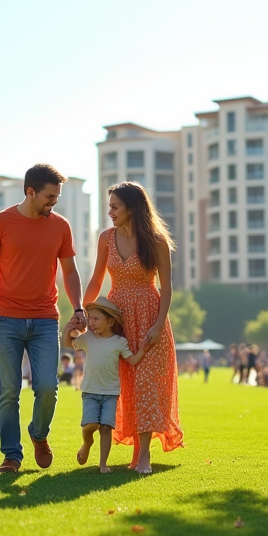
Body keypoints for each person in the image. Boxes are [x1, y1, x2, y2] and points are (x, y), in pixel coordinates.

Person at [0, 164, 84, 474]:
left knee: (48, 387)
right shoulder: (0, 222)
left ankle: (38, 433)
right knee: (9, 389)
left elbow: (70, 271)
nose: (53, 202)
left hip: (46, 318)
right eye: (49, 196)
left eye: (56, 197)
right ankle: (11, 455)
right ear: (29, 191)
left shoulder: (61, 226)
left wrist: (79, 308)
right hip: (6, 318)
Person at [83, 181, 184, 474]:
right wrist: (84, 313)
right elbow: (95, 279)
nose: (111, 212)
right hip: (117, 319)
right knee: (125, 385)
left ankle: (143, 456)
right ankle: (133, 450)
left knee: (148, 385)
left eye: (115, 206)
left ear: (132, 207)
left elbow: (166, 287)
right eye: (109, 207)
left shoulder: (156, 241)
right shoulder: (106, 238)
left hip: (151, 317)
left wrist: (159, 323)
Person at [62, 297, 149, 473]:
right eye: (90, 318)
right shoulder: (88, 338)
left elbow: (132, 360)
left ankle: (103, 465)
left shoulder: (119, 342)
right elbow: (68, 344)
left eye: (95, 319)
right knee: (90, 425)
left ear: (110, 321)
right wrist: (68, 329)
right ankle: (87, 442)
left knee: (106, 428)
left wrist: (143, 349)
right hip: (90, 391)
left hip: (110, 392)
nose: (91, 323)